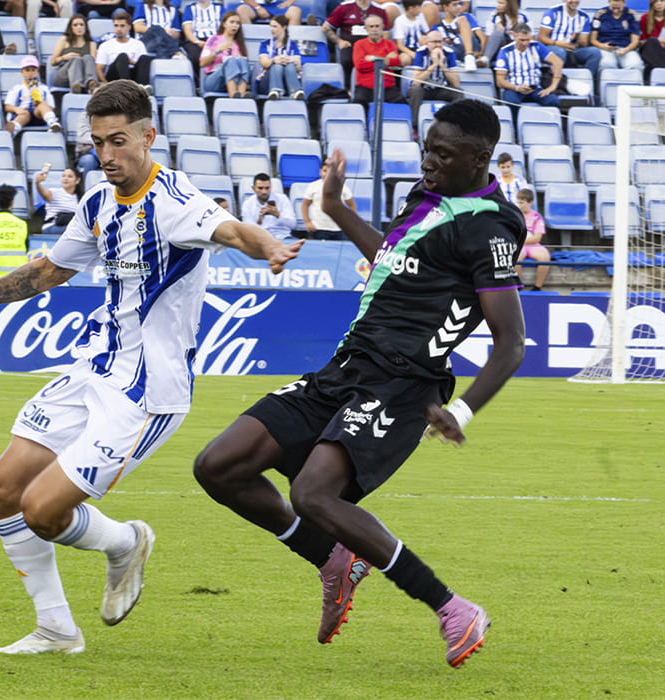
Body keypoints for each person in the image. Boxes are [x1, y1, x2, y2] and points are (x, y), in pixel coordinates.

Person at [0, 79, 300, 656]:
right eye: (98, 143)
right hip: (95, 369)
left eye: (118, 141)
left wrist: (266, 244)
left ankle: (126, 542)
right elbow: (49, 269)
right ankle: (56, 630)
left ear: (149, 136)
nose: (106, 156)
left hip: (146, 393)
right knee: (1, 490)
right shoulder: (99, 202)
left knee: (43, 511)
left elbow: (228, 228)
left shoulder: (174, 199)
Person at [192, 98, 525, 668]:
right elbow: (395, 260)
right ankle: (332, 559)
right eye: (427, 150)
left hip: (402, 384)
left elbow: (510, 342)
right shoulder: (426, 198)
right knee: (218, 466)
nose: (429, 163)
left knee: (312, 494)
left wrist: (462, 411)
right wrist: (335, 208)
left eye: (443, 155)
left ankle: (452, 608)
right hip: (347, 368)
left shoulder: (492, 226)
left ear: (479, 157)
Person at [495, 23, 562, 118]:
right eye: (522, 40)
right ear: (514, 35)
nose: (525, 43)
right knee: (511, 103)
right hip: (514, 88)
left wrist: (552, 86)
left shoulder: (537, 46)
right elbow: (500, 81)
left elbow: (558, 62)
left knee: (553, 101)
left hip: (535, 88)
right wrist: (517, 88)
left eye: (528, 40)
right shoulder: (505, 51)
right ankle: (515, 129)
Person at [323, 0, 390, 86]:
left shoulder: (379, 9)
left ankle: (373, 87)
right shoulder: (344, 7)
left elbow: (386, 32)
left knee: (378, 60)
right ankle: (347, 88)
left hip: (372, 44)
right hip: (350, 44)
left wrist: (379, 45)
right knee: (347, 60)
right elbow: (326, 27)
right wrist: (339, 41)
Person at [407, 30, 460, 128]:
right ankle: (414, 126)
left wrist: (442, 65)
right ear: (427, 43)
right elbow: (417, 81)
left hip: (440, 89)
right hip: (424, 89)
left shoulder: (449, 53)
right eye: (435, 42)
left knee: (458, 92)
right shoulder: (420, 53)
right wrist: (434, 65)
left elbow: (456, 83)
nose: (438, 45)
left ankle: (456, 126)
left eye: (441, 42)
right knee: (415, 90)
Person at [538, 0, 601, 79]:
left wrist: (576, 43)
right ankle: (559, 82)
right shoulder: (553, 12)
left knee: (594, 52)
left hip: (572, 49)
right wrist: (558, 43)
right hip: (553, 47)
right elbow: (541, 38)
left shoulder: (583, 16)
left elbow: (583, 43)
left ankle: (585, 80)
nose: (574, 1)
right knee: (560, 52)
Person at [351, 15, 403, 105]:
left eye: (377, 26)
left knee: (402, 105)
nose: (374, 29)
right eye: (371, 26)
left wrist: (372, 58)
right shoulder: (359, 44)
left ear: (382, 27)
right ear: (366, 28)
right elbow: (360, 65)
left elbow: (395, 62)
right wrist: (386, 59)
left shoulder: (390, 44)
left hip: (388, 87)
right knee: (358, 105)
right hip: (365, 87)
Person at [300, 158, 356, 241]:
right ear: (320, 172)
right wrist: (307, 222)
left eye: (331, 171)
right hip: (319, 228)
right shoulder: (313, 186)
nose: (328, 174)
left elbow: (351, 204)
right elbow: (305, 204)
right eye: (325, 171)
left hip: (339, 228)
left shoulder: (342, 187)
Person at [4, 55, 61, 136]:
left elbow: (51, 107)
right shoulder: (17, 88)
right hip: (22, 113)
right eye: (27, 70)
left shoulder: (44, 88)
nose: (30, 73)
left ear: (37, 72)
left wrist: (40, 104)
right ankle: (12, 130)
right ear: (22, 72)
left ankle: (53, 123)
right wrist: (17, 109)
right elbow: (7, 106)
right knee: (25, 114)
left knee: (42, 104)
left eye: (33, 70)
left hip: (38, 116)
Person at [96, 10, 154, 88]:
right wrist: (106, 84)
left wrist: (130, 62)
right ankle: (128, 87)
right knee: (122, 57)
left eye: (122, 26)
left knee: (145, 58)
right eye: (116, 26)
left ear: (129, 27)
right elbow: (99, 69)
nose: (119, 29)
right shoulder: (105, 45)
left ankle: (143, 87)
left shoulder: (138, 44)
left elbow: (140, 65)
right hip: (114, 77)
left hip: (132, 74)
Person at [201, 11, 251, 97]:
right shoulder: (213, 39)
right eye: (232, 22)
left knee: (243, 60)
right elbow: (202, 63)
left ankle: (241, 95)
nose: (235, 25)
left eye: (237, 23)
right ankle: (233, 96)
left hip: (235, 81)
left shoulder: (239, 44)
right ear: (224, 24)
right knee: (231, 61)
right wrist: (217, 51)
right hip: (214, 79)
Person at [257, 13, 304, 99]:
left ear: (284, 27)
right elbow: (264, 63)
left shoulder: (293, 44)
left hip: (287, 81)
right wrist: (274, 60)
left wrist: (290, 60)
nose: (272, 29)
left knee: (290, 65)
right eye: (271, 26)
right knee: (277, 65)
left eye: (275, 26)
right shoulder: (265, 44)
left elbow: (298, 67)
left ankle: (295, 92)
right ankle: (275, 91)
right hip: (267, 82)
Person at [50, 14, 100, 94]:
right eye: (75, 25)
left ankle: (91, 83)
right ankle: (76, 86)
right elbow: (53, 62)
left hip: (84, 76)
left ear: (85, 27)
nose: (79, 27)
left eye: (81, 25)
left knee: (88, 57)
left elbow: (92, 64)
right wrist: (64, 57)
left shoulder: (92, 44)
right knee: (76, 59)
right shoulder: (64, 40)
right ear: (71, 27)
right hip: (64, 76)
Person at [240, 171, 296, 240]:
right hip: (260, 239)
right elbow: (248, 229)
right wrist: (259, 220)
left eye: (267, 188)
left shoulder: (282, 199)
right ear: (253, 188)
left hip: (283, 237)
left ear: (270, 187)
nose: (264, 192)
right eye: (260, 188)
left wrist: (278, 215)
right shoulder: (248, 204)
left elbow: (293, 224)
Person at [514, 187, 549, 291]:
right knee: (515, 257)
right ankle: (518, 287)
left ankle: (537, 287)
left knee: (545, 257)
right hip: (519, 245)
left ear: (530, 203)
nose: (519, 205)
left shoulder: (537, 217)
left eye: (522, 203)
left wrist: (520, 240)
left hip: (532, 245)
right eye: (518, 202)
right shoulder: (514, 215)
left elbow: (537, 238)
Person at [590, 0, 642, 71]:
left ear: (624, 2)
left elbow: (635, 41)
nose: (616, 4)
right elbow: (593, 40)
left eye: (618, 7)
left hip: (626, 48)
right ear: (609, 1)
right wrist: (602, 46)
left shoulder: (631, 15)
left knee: (636, 65)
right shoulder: (600, 14)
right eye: (613, 7)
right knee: (606, 64)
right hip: (605, 48)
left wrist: (626, 49)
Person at [35, 165, 81, 236]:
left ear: (77, 180)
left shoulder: (79, 198)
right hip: (52, 227)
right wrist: (37, 183)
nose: (65, 178)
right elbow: (44, 195)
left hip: (70, 228)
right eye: (63, 176)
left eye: (69, 176)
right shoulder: (54, 192)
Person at [436, 0, 485, 67]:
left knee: (462, 20)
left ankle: (469, 56)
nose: (458, 7)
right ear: (445, 7)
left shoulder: (466, 17)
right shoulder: (438, 26)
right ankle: (458, 62)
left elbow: (482, 38)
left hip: (473, 47)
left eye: (459, 4)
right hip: (457, 50)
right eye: (454, 5)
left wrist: (481, 53)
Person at [181, 0, 224, 71]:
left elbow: (225, 27)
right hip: (197, 41)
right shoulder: (190, 8)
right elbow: (188, 30)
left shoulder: (219, 8)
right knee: (194, 57)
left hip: (216, 40)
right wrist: (197, 42)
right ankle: (198, 81)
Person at [482, 0, 529, 64]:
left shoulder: (523, 16)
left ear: (510, 4)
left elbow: (531, 38)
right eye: (498, 3)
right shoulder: (494, 15)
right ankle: (485, 59)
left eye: (501, 3)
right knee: (498, 32)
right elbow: (488, 37)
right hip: (500, 46)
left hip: (516, 46)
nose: (498, 6)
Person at [391, 0, 430, 64]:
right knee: (405, 59)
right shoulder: (400, 21)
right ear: (411, 8)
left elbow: (427, 33)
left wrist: (425, 38)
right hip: (407, 49)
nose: (421, 10)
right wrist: (412, 53)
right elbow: (400, 45)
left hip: (421, 47)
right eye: (419, 7)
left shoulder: (421, 16)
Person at [237, 0, 301, 28]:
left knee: (295, 11)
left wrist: (288, 2)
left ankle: (292, 45)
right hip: (255, 5)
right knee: (242, 10)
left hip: (277, 4)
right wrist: (257, 7)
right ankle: (248, 43)